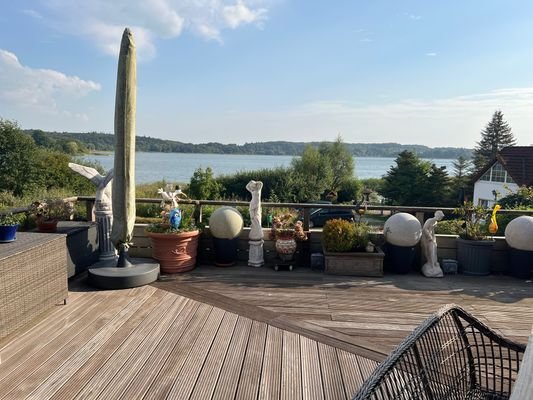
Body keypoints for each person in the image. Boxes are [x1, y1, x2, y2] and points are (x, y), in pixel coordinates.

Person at [421, 210, 445, 278]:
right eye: (440, 216)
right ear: (437, 215)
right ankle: (431, 265)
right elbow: (424, 229)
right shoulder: (430, 220)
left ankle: (433, 265)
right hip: (427, 239)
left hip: (432, 239)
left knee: (433, 251)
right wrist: (430, 237)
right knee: (428, 252)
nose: (441, 218)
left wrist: (434, 239)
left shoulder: (435, 222)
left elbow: (433, 231)